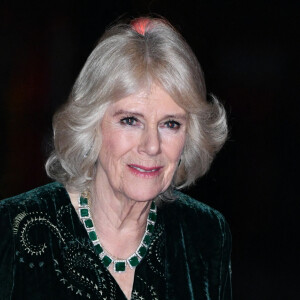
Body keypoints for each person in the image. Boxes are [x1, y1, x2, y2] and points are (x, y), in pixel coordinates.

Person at [0, 17, 231, 299]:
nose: (152, 146)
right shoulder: (12, 229)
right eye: (130, 120)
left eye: (170, 124)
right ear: (92, 124)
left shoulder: (204, 234)